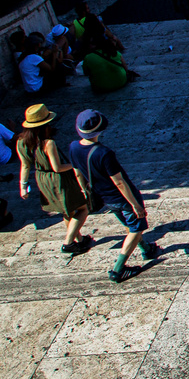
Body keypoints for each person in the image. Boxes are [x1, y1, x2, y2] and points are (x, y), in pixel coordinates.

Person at [67, 109, 158, 282]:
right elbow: (119, 182)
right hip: (122, 197)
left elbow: (77, 173)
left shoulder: (73, 147)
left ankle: (146, 248)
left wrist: (84, 190)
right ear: (100, 130)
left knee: (128, 224)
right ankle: (118, 269)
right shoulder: (104, 153)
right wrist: (135, 204)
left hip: (105, 197)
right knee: (136, 228)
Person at [16, 104, 91, 255]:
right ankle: (68, 243)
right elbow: (57, 168)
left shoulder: (21, 141)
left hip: (42, 179)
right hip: (58, 180)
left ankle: (80, 240)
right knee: (84, 208)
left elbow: (25, 165)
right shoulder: (48, 143)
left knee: (66, 211)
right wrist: (75, 163)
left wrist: (23, 186)